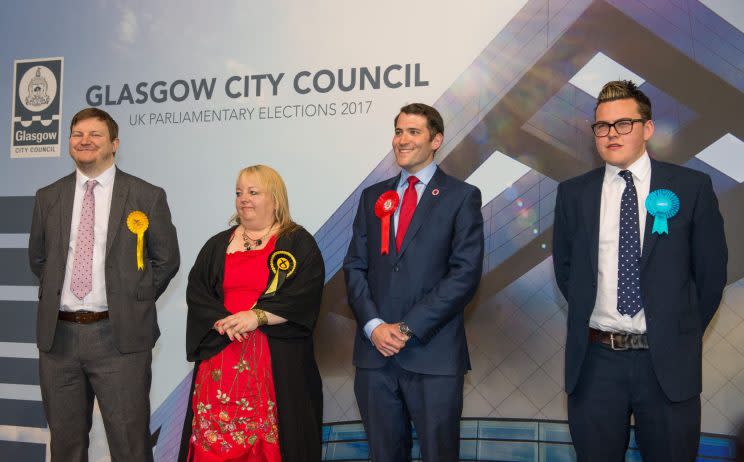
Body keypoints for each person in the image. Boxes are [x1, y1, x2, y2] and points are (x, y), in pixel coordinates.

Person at [552, 80, 727, 461]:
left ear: (647, 128)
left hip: (666, 364)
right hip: (596, 363)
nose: (611, 134)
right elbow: (568, 273)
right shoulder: (573, 193)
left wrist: (678, 331)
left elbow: (711, 274)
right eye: (602, 126)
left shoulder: (691, 187)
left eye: (623, 124)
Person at [28, 107, 180, 461]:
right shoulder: (47, 196)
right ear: (69, 144)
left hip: (119, 339)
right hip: (58, 340)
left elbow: (166, 259)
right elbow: (38, 259)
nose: (85, 141)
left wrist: (132, 300)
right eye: (77, 134)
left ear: (114, 144)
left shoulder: (146, 195)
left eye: (95, 135)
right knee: (65, 447)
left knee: (129, 446)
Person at [343, 103, 484, 461]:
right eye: (399, 131)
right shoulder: (372, 197)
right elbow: (355, 267)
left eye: (413, 132)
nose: (402, 140)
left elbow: (464, 274)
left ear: (436, 140)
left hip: (432, 354)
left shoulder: (462, 197)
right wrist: (374, 326)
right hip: (375, 356)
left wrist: (406, 328)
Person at [179, 165, 324, 462]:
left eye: (253, 192)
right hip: (221, 356)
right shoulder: (217, 244)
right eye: (239, 192)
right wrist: (223, 321)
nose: (244, 198)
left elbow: (303, 296)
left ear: (275, 199)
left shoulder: (297, 242)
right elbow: (198, 292)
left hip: (274, 361)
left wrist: (256, 316)